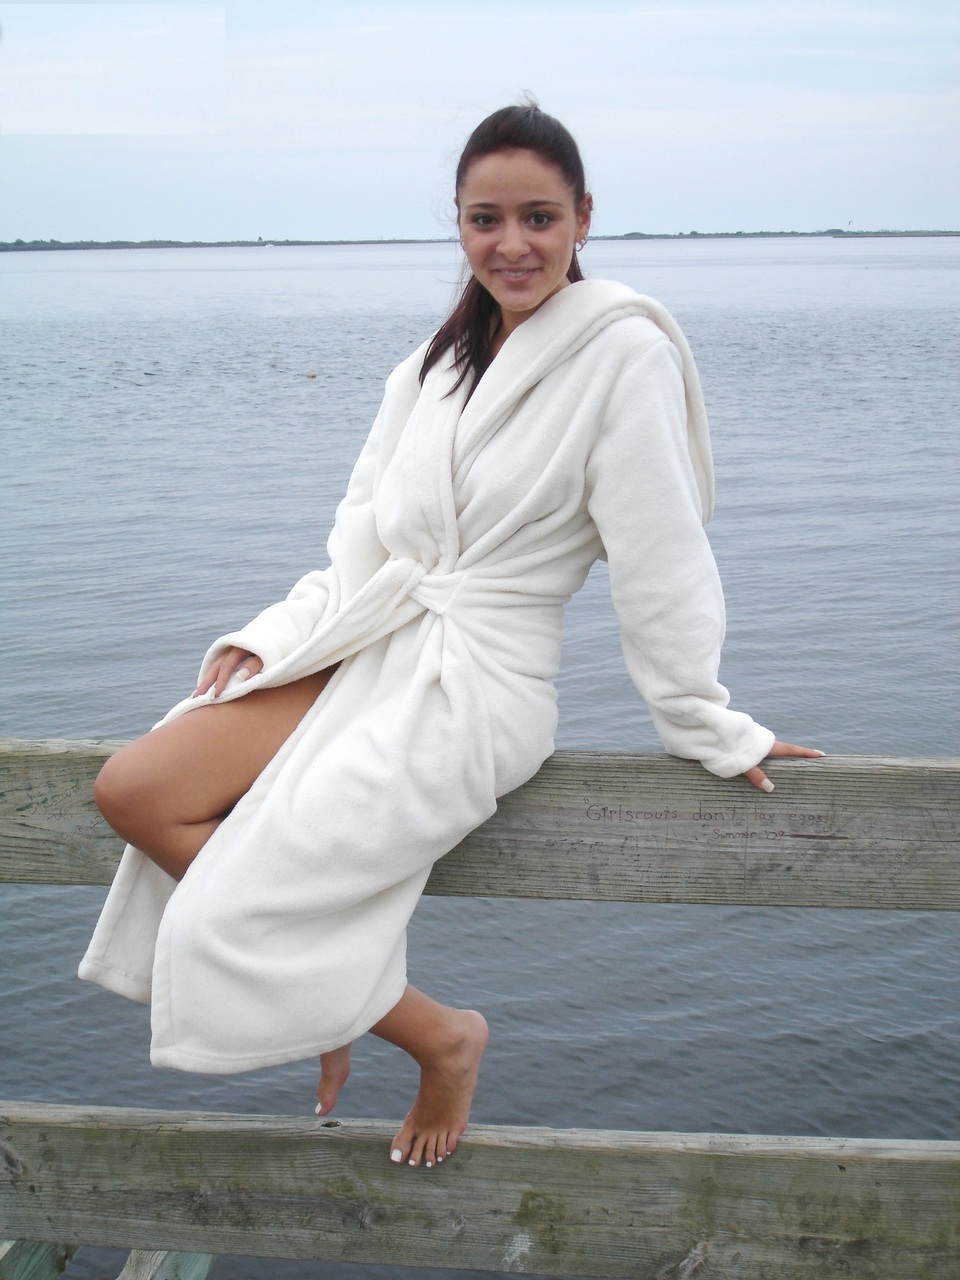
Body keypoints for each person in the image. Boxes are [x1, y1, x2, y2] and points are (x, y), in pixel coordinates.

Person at [82, 103, 821, 1171]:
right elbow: (361, 539)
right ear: (459, 224)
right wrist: (277, 634)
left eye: (538, 217)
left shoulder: (624, 357)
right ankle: (333, 989)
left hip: (477, 685)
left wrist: (706, 720)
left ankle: (435, 1037)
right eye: (485, 219)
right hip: (374, 633)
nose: (511, 243)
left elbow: (661, 558)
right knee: (136, 789)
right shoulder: (435, 365)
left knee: (256, 893)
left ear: (583, 218)